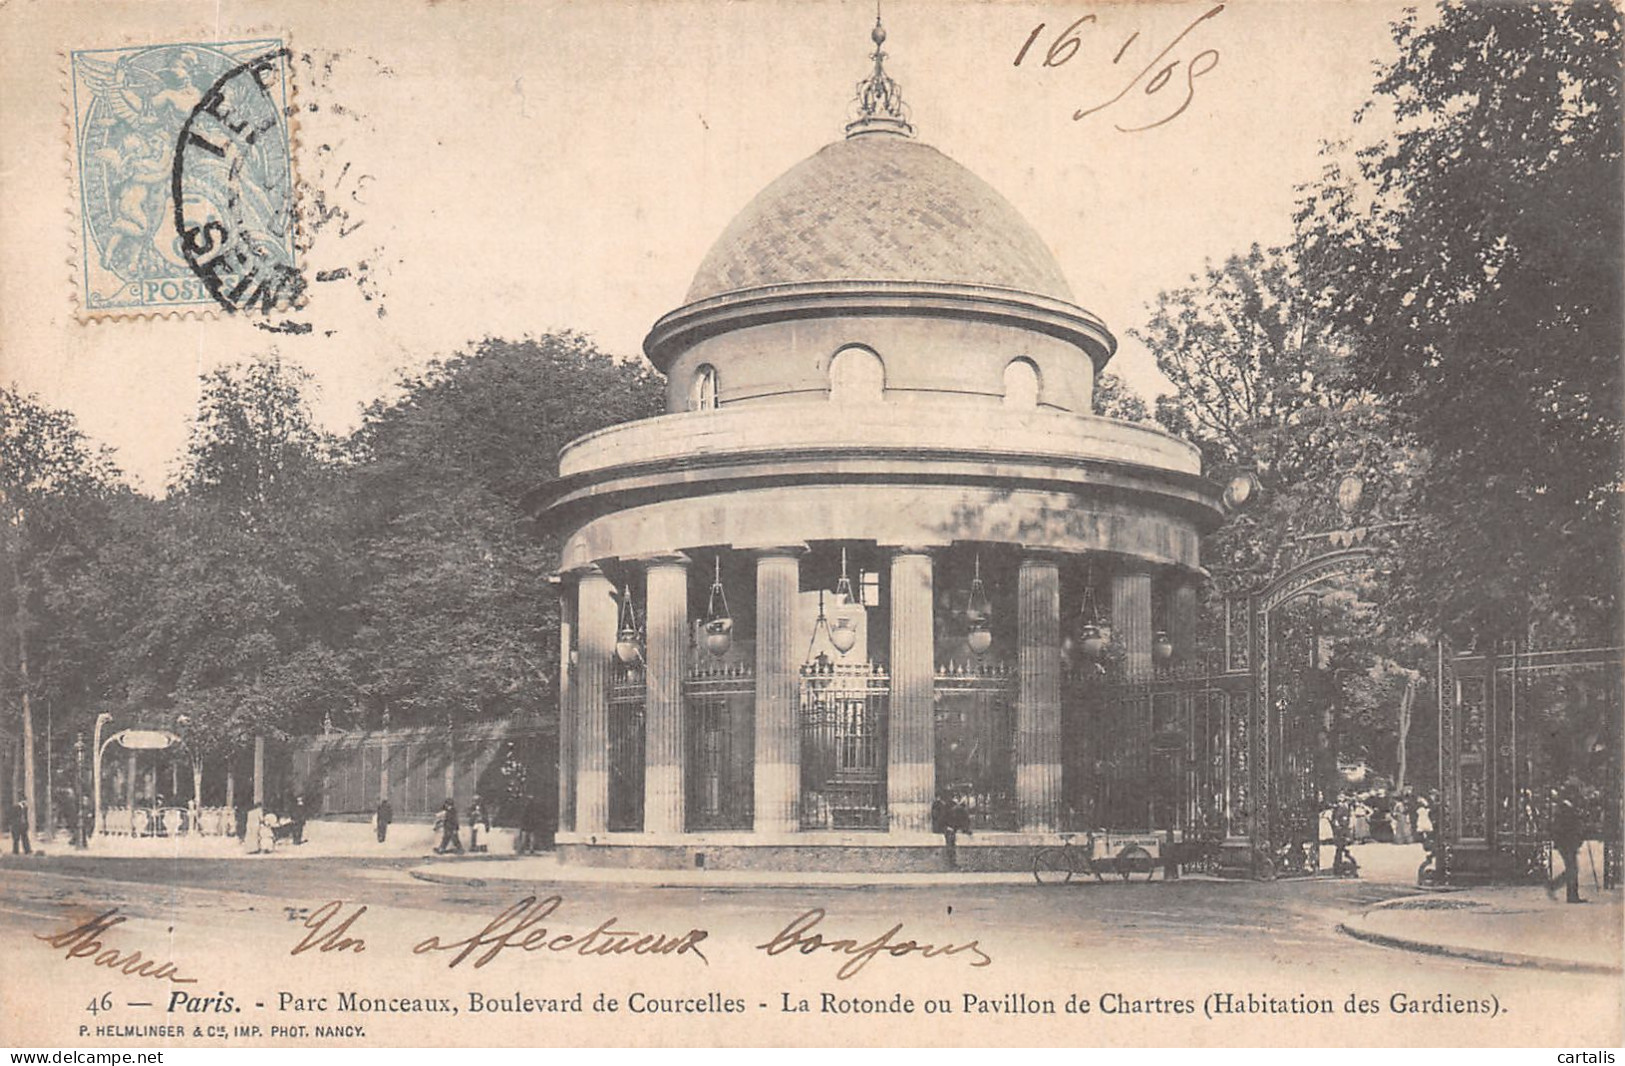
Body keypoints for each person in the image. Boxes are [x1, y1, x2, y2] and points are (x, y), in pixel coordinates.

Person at [1547, 785, 1585, 904]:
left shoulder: (1567, 807)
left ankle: (1571, 895)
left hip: (1568, 843)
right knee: (1572, 868)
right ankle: (1558, 888)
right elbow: (1564, 828)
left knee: (1572, 868)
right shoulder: (1564, 808)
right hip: (1566, 843)